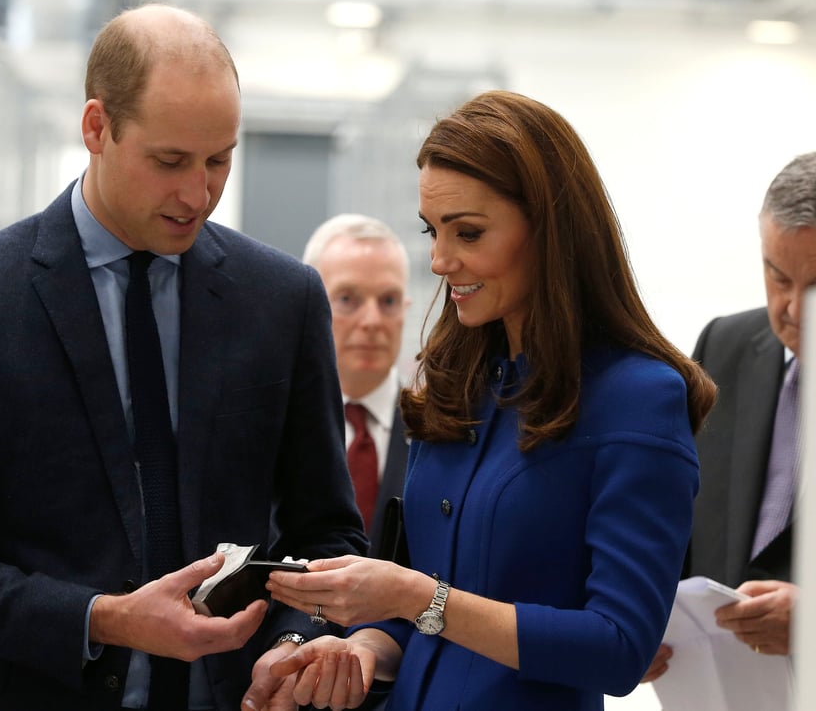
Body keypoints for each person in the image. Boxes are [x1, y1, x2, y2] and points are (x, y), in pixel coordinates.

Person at [0, 4, 367, 711]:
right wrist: (99, 617)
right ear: (96, 127)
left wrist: (292, 644)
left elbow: (326, 530)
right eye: (169, 162)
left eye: (219, 160)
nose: (198, 195)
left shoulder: (282, 300)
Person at [260, 89, 717, 711]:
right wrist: (364, 648)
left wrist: (414, 599)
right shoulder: (458, 382)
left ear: (548, 231)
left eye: (467, 233)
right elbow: (425, 617)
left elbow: (619, 647)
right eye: (432, 230)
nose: (440, 260)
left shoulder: (638, 399)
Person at [642, 151, 816, 682]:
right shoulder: (724, 345)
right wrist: (637, 624)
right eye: (777, 275)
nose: (791, 309)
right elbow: (676, 523)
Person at [302, 214, 411, 554]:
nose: (372, 321)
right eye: (348, 299)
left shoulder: (440, 432)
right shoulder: (272, 427)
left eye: (388, 301)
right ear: (308, 307)